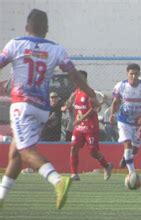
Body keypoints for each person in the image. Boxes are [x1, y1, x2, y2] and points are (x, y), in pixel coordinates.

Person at [0, 9, 96, 209]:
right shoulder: (56, 49)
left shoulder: (15, 44)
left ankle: (58, 181)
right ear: (47, 30)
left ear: (27, 28)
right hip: (42, 109)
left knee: (26, 151)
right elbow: (74, 75)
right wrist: (91, 94)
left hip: (22, 106)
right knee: (15, 155)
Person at [110, 63, 141, 183]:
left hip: (139, 122)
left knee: (134, 150)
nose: (133, 76)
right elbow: (116, 102)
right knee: (127, 145)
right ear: (127, 74)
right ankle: (132, 173)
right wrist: (113, 114)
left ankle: (125, 158)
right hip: (124, 120)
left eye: (136, 74)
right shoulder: (121, 86)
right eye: (131, 74)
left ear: (139, 74)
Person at [69, 71, 113, 181]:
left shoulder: (90, 93)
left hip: (90, 127)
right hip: (79, 128)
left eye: (82, 79)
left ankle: (107, 166)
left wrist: (81, 119)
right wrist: (67, 105)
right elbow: (71, 104)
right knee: (73, 147)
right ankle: (74, 174)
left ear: (86, 80)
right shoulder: (76, 92)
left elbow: (94, 109)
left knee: (93, 152)